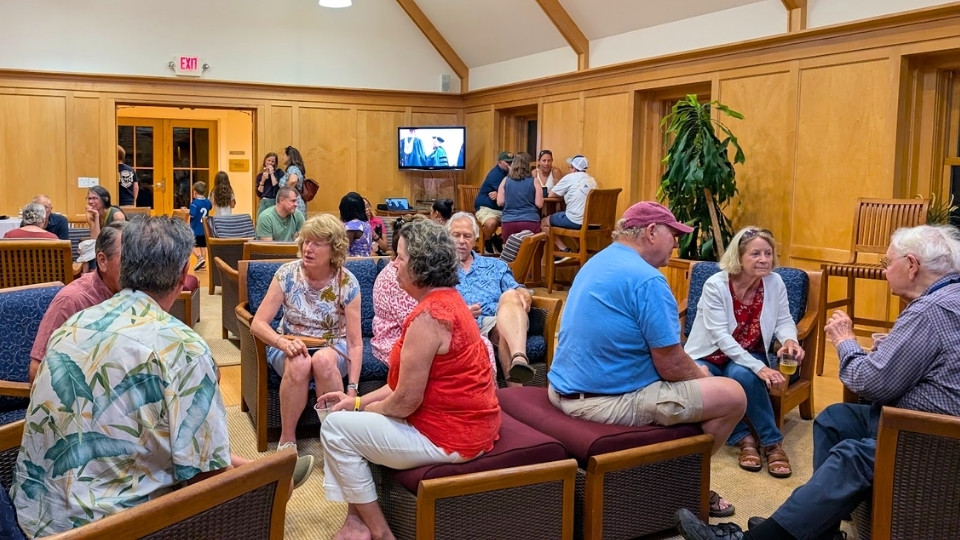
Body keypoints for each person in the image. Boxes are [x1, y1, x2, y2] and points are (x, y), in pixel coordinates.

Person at [675, 224, 960, 540]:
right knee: (834, 420)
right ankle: (822, 530)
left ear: (911, 265)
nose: (883, 271)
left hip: (932, 436)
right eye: (756, 253)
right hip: (711, 355)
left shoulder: (928, 311)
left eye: (887, 263)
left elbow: (869, 383)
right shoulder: (946, 298)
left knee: (850, 457)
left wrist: (845, 341)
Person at [10, 217, 252, 537]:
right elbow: (207, 476)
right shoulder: (185, 348)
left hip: (32, 515)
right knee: (260, 486)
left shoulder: (75, 322)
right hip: (110, 526)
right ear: (183, 275)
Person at [547, 201, 747, 518]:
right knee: (732, 395)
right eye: (674, 234)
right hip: (601, 401)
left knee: (699, 380)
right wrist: (703, 377)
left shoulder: (598, 261)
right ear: (652, 232)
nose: (677, 243)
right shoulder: (648, 279)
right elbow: (670, 365)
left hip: (561, 390)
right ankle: (686, 486)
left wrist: (694, 372)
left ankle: (675, 476)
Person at [318, 219, 500, 540]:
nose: (394, 264)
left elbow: (404, 403)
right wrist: (356, 401)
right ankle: (356, 521)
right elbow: (402, 386)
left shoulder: (429, 316)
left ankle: (379, 532)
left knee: (334, 429)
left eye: (400, 257)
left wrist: (361, 413)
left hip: (453, 438)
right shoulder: (447, 301)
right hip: (466, 426)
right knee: (346, 421)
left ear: (419, 265)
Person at [684, 227, 804, 478]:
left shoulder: (774, 282)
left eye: (768, 253)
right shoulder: (716, 284)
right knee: (701, 381)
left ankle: (771, 442)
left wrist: (789, 340)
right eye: (756, 254)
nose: (764, 259)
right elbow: (721, 336)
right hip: (709, 353)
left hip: (749, 351)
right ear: (738, 257)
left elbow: (784, 319)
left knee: (743, 375)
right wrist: (760, 366)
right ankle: (743, 439)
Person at [250, 214, 363, 460]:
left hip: (333, 345)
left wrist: (352, 390)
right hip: (290, 342)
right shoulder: (287, 274)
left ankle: (334, 438)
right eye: (305, 242)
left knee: (323, 360)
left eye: (316, 244)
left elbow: (355, 343)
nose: (307, 249)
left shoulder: (348, 282)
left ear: (334, 249)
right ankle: (287, 439)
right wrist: (282, 342)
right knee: (300, 361)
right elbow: (258, 324)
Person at [371, 215, 496, 369]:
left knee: (480, 344)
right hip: (399, 339)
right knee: (472, 348)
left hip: (427, 333)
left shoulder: (422, 274)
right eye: (455, 236)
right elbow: (417, 324)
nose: (460, 242)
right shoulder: (398, 275)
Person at [28, 222, 125, 382]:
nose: (136, 267)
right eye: (127, 259)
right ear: (102, 261)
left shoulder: (138, 294)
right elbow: (37, 371)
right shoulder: (72, 300)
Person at [447, 211, 535, 385]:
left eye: (467, 236)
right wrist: (462, 313)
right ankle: (517, 382)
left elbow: (518, 289)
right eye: (456, 235)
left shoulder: (495, 265)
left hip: (505, 317)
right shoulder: (439, 269)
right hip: (467, 325)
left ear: (475, 239)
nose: (462, 241)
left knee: (510, 294)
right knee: (503, 329)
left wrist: (524, 295)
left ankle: (518, 360)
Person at [540, 154, 597, 253]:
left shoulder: (570, 177)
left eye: (570, 167)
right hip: (589, 222)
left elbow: (551, 195)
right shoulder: (592, 180)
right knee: (570, 217)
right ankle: (581, 249)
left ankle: (564, 250)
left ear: (574, 168)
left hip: (574, 220)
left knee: (544, 222)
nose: (570, 169)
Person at [497, 151, 543, 244]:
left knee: (510, 253)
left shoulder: (505, 180)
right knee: (531, 252)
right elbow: (539, 204)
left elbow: (500, 202)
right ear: (528, 165)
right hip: (529, 221)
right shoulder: (535, 181)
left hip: (509, 222)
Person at [474, 151, 513, 254]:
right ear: (499, 162)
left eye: (511, 162)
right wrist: (500, 194)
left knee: (518, 223)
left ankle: (495, 238)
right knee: (491, 223)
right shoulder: (495, 175)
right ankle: (487, 241)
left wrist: (499, 194)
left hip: (503, 209)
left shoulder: (511, 173)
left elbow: (508, 193)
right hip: (487, 207)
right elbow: (506, 195)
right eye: (507, 162)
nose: (510, 165)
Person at [188, 181, 212, 271]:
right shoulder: (207, 202)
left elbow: (192, 215)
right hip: (204, 228)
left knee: (191, 244)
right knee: (203, 246)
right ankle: (203, 263)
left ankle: (199, 258)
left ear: (194, 192)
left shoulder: (194, 203)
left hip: (195, 228)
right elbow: (210, 207)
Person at [340, 192, 372, 257]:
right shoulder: (366, 223)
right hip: (367, 262)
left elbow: (343, 250)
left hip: (353, 263)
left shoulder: (352, 226)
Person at [281, 145, 307, 217]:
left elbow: (293, 180)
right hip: (295, 202)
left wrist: (286, 194)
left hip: (293, 203)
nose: (282, 157)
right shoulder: (296, 168)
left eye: (284, 155)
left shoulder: (292, 168)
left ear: (289, 157)